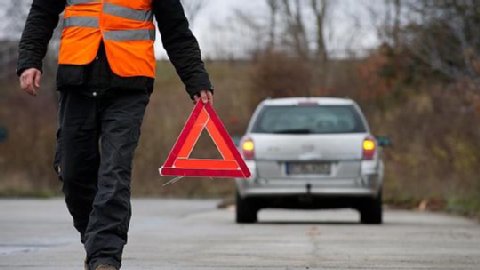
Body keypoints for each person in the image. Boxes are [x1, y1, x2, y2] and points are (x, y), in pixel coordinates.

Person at [17, 0, 213, 269]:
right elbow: (42, 11)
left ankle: (105, 257)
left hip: (129, 84)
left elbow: (175, 29)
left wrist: (196, 79)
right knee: (74, 173)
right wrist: (30, 60)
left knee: (115, 171)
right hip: (77, 80)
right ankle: (96, 241)